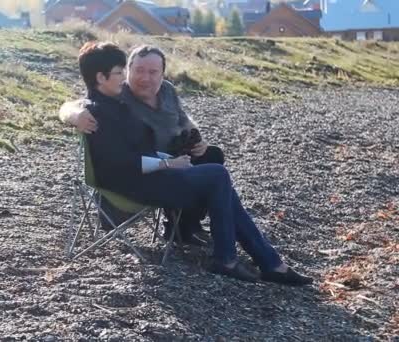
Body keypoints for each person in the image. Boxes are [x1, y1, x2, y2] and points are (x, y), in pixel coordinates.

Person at [77, 41, 313, 286]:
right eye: (120, 72)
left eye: (152, 72)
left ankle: (260, 261)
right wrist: (168, 165)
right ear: (101, 77)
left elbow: (139, 148)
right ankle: (240, 260)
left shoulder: (115, 104)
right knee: (217, 177)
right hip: (133, 184)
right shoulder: (99, 112)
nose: (125, 77)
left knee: (215, 168)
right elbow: (119, 162)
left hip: (147, 175)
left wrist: (176, 157)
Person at [60, 45, 221, 244]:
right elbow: (75, 103)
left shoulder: (167, 90)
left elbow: (183, 119)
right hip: (147, 163)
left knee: (212, 156)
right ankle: (217, 243)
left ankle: (184, 226)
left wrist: (198, 139)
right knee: (214, 177)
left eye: (153, 72)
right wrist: (74, 115)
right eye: (139, 71)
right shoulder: (119, 92)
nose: (146, 78)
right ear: (129, 70)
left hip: (176, 153)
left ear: (163, 74)